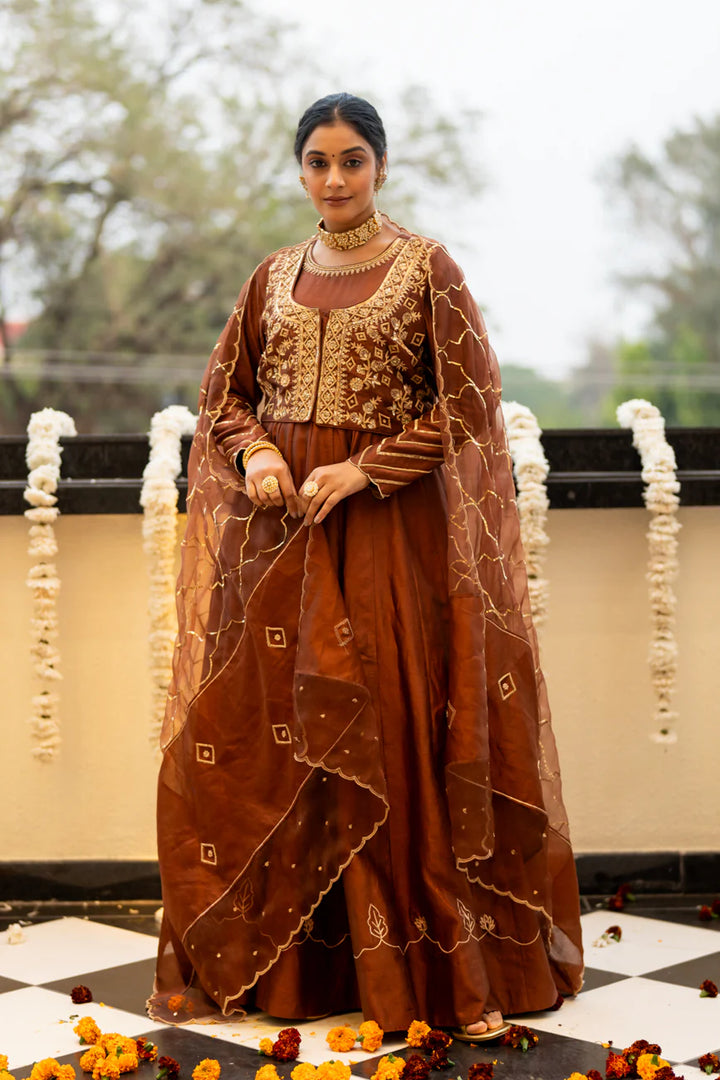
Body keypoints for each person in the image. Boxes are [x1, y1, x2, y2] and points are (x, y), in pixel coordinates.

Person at [148, 92, 584, 1037]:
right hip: (286, 536)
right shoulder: (272, 276)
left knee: (382, 725)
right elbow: (227, 396)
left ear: (380, 165)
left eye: (352, 160)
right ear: (299, 170)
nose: (335, 179)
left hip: (389, 533)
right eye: (317, 162)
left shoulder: (428, 269)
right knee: (284, 725)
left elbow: (471, 404)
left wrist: (363, 468)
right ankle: (299, 977)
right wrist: (261, 454)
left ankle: (424, 975)